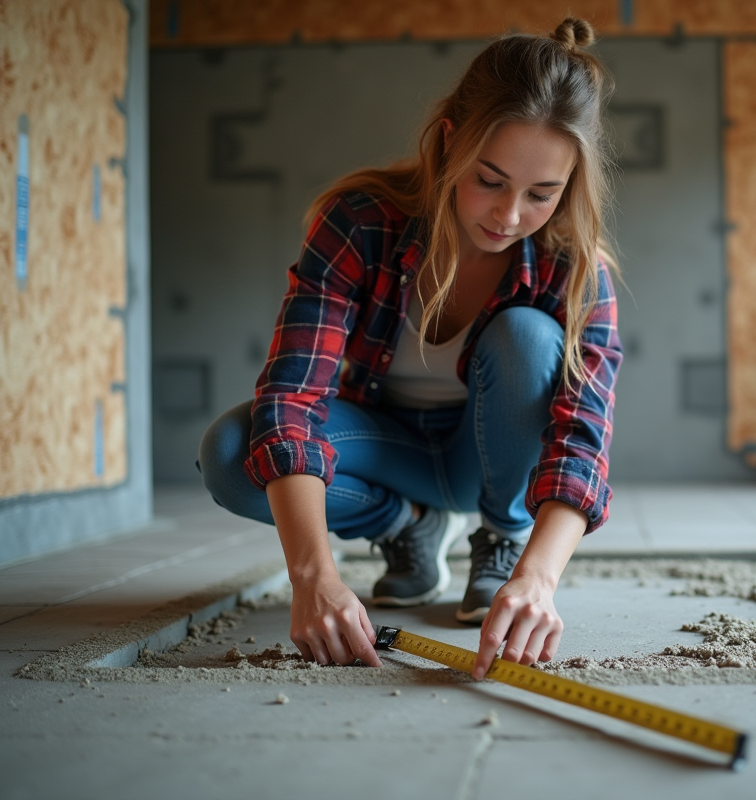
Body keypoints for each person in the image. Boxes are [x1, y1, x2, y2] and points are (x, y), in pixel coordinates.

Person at [197, 18, 621, 681]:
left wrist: (537, 577)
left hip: (489, 464)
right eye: (489, 180)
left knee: (528, 336)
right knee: (230, 452)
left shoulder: (575, 267)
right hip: (390, 448)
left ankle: (501, 537)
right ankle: (405, 527)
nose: (509, 215)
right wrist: (314, 577)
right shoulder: (360, 222)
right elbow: (292, 399)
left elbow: (581, 439)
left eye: (542, 193)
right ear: (451, 141)